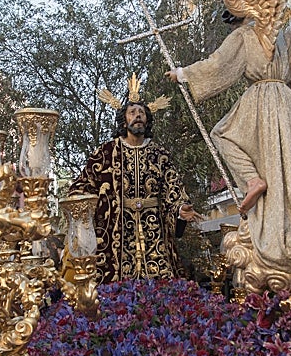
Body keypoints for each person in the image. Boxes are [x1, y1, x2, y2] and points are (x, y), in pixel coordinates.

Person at [168, 11, 291, 280]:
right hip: (287, 105)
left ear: (236, 19)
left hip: (262, 96)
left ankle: (252, 180)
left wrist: (183, 74)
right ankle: (284, 213)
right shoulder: (283, 38)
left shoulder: (245, 35)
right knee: (283, 163)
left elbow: (220, 65)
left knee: (222, 134)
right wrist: (290, 103)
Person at [67, 97, 200, 283]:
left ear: (147, 120)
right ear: (124, 120)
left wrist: (180, 210)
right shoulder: (106, 153)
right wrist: (81, 208)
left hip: (154, 232)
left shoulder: (160, 154)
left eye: (142, 113)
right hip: (117, 232)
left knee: (162, 287)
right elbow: (82, 186)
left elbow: (173, 190)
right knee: (116, 288)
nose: (138, 116)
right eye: (132, 113)